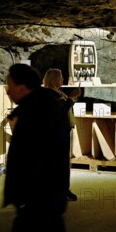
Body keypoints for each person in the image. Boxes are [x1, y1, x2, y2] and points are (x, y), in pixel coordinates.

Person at [3, 64, 70, 232]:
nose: (7, 90)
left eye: (10, 84)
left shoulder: (35, 110)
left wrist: (23, 197)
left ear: (21, 86)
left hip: (37, 198)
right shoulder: (48, 103)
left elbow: (33, 154)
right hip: (51, 195)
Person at [42, 68, 81, 201]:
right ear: (53, 80)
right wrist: (71, 98)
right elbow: (60, 109)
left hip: (63, 132)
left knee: (63, 163)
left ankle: (64, 189)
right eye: (61, 77)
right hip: (55, 135)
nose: (63, 80)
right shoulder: (48, 94)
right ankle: (56, 191)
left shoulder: (57, 93)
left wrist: (72, 98)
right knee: (57, 163)